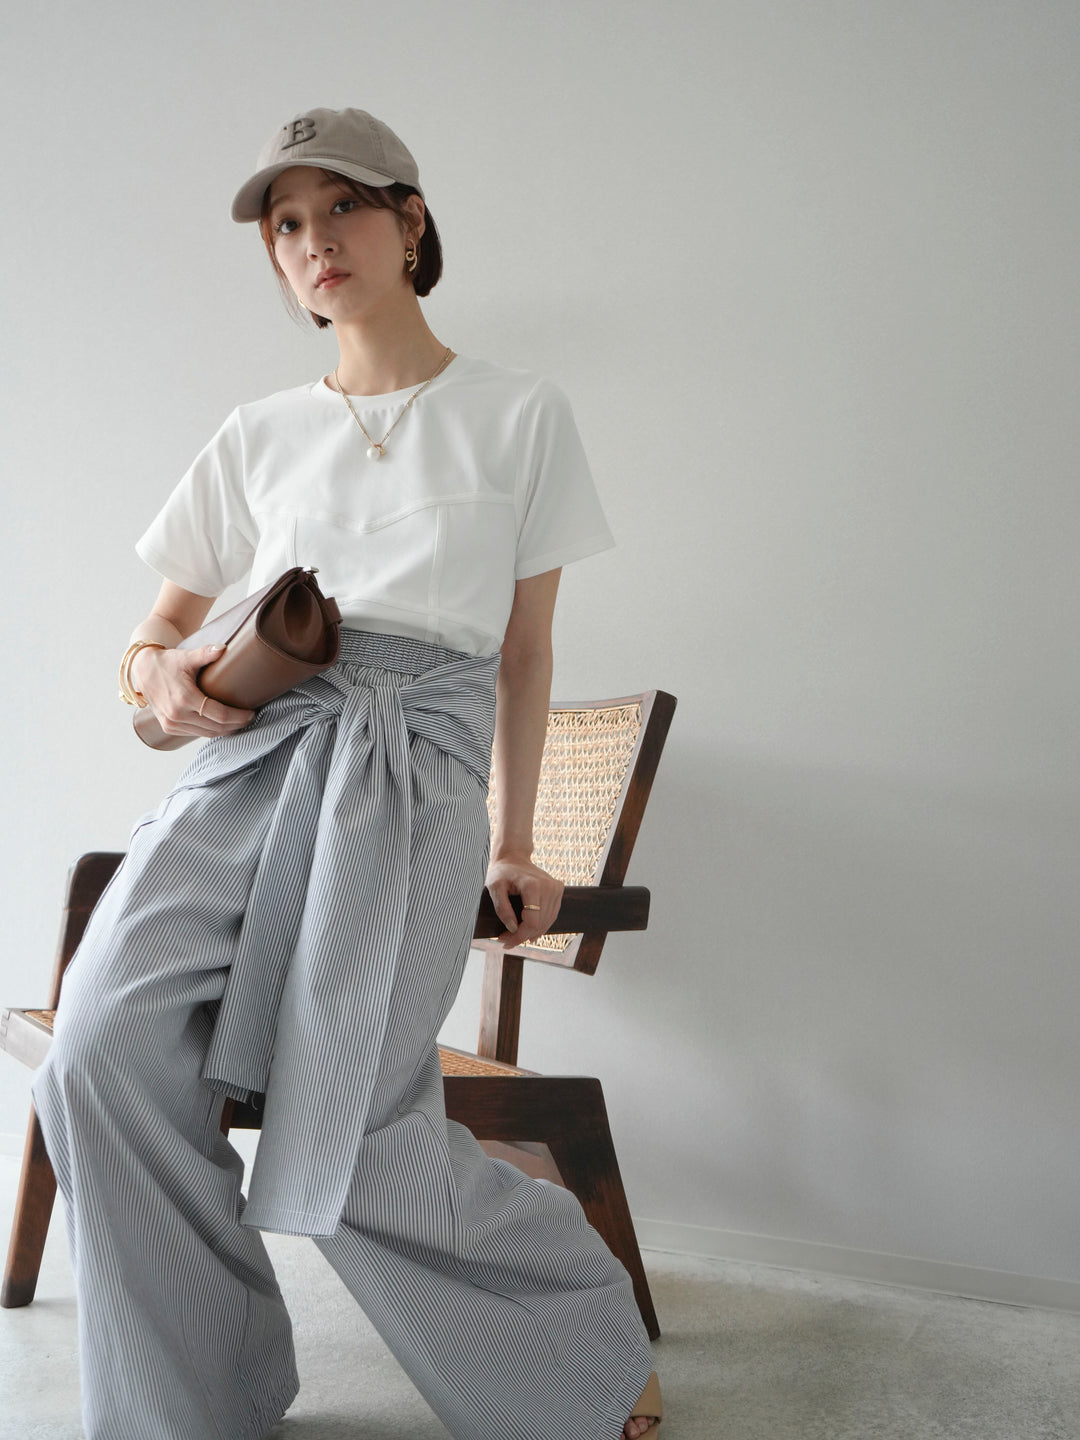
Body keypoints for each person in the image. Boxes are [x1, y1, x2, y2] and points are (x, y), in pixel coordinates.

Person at [30, 107, 662, 1440]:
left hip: (413, 778)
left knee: (356, 1130)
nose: (314, 241)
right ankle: (194, 1400)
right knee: (94, 1054)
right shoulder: (258, 431)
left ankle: (577, 1352)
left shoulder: (520, 412)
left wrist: (515, 841)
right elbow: (153, 633)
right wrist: (156, 676)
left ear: (410, 221)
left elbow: (526, 654)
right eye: (286, 225)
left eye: (343, 208)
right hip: (248, 767)